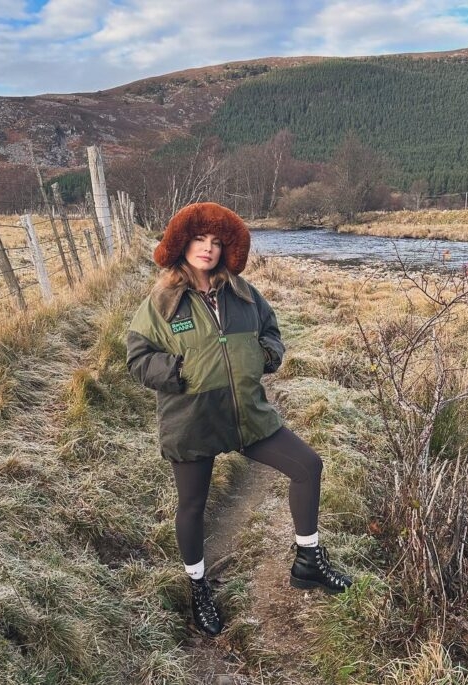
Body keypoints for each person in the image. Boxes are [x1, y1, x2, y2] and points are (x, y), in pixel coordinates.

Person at [126, 202, 353, 637]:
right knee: (192, 506)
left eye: (216, 242)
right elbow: (138, 361)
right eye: (199, 240)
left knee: (308, 466)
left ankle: (308, 560)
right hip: (193, 419)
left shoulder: (244, 293)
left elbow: (271, 331)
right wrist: (181, 373)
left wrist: (266, 355)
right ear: (182, 244)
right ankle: (197, 586)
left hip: (247, 412)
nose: (208, 249)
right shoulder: (161, 302)